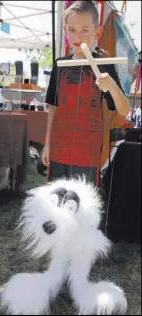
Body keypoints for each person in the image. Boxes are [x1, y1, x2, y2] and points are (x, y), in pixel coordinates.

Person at [42, 0, 130, 186]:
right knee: (55, 201)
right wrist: (47, 145)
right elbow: (53, 107)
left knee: (82, 203)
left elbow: (123, 110)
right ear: (65, 30)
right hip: (59, 147)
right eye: (72, 29)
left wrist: (112, 86)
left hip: (87, 151)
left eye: (84, 30)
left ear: (96, 32)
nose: (78, 36)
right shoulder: (60, 65)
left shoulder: (104, 66)